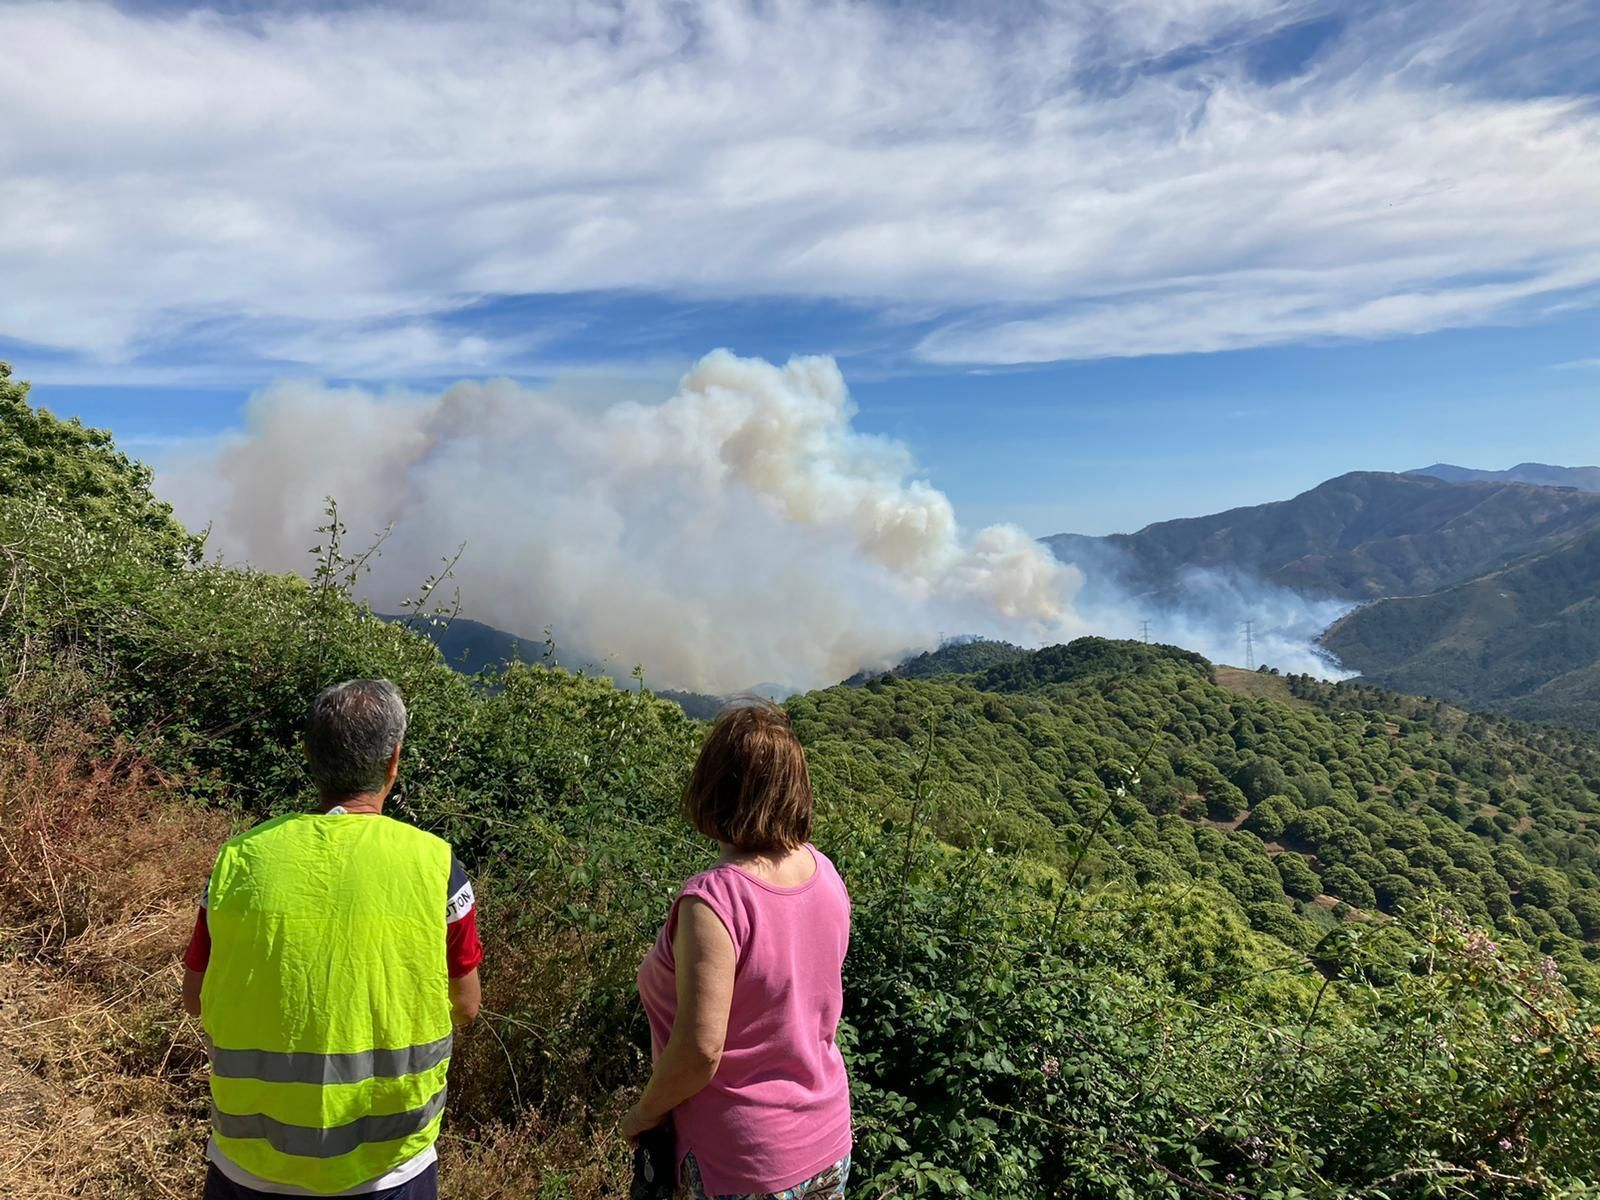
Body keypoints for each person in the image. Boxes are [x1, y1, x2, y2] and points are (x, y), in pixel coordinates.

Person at [181, 679, 482, 1199]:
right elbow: (466, 1004)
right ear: (394, 760)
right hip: (389, 1168)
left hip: (248, 1164)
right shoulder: (437, 866)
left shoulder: (239, 860)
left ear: (310, 756)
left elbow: (195, 995)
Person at [627, 699, 853, 1199]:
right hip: (829, 1143)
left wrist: (643, 1114)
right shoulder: (826, 875)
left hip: (745, 1160)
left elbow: (700, 1050)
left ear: (712, 787)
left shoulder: (715, 901)